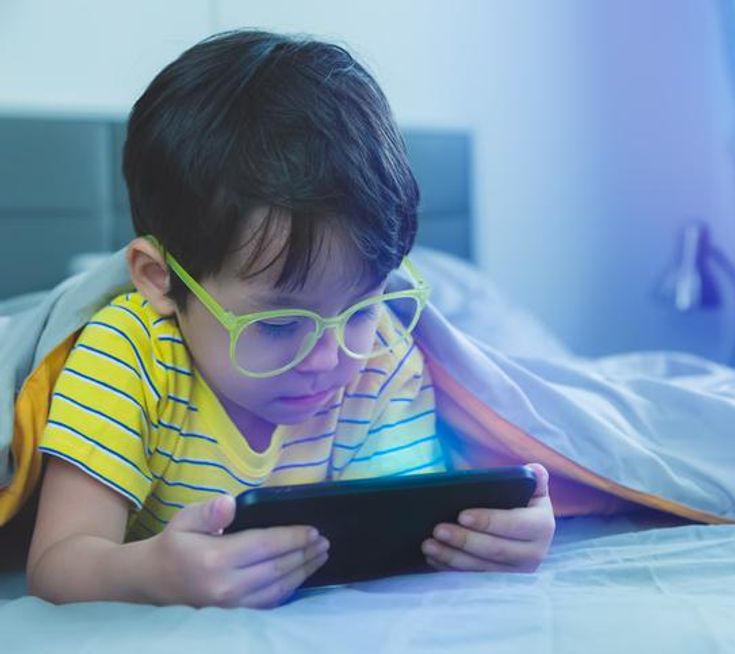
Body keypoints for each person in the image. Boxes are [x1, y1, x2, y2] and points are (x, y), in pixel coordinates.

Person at [25, 29, 555, 608]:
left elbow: (405, 524)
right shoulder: (128, 356)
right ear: (161, 280)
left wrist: (486, 537)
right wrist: (150, 573)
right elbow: (57, 564)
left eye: (359, 307)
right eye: (278, 325)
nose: (332, 361)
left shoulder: (379, 355)